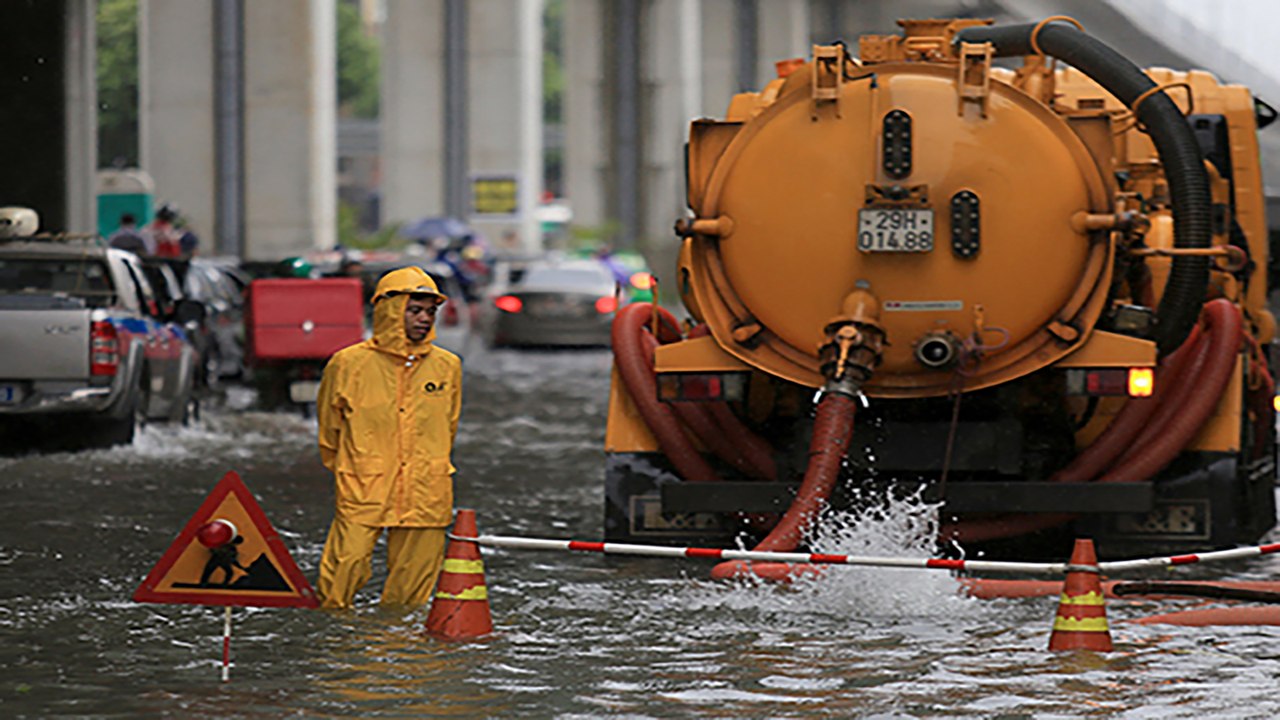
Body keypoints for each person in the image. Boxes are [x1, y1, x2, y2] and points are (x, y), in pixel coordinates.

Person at [315, 266, 462, 609]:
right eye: (414, 310)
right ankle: (337, 645)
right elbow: (329, 432)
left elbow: (448, 426)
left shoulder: (447, 367)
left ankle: (401, 652)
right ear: (389, 310)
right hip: (364, 485)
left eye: (430, 311)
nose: (424, 319)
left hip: (427, 488)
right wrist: (356, 469)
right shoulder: (347, 364)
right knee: (344, 570)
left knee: (412, 591)